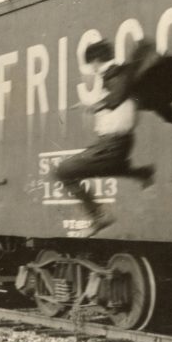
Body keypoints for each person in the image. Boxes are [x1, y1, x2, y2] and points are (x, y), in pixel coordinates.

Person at [55, 39, 155, 237]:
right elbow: (118, 92)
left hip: (112, 143)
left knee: (63, 171)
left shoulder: (115, 73)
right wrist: (88, 104)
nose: (91, 70)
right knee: (112, 167)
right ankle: (143, 173)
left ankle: (98, 216)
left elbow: (117, 96)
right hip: (117, 144)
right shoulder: (115, 75)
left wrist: (96, 106)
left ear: (95, 61)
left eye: (90, 65)